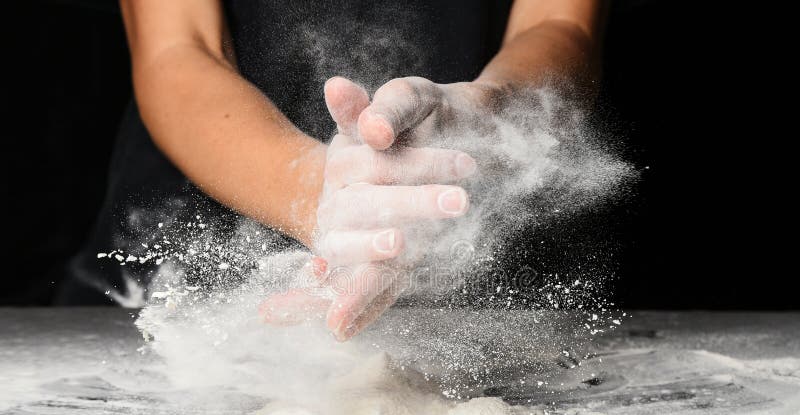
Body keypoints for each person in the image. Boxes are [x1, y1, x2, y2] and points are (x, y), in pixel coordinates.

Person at [58, 0, 606, 340]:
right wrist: (319, 193)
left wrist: (477, 117)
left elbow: (560, 22)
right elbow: (178, 49)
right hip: (184, 298)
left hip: (482, 288)